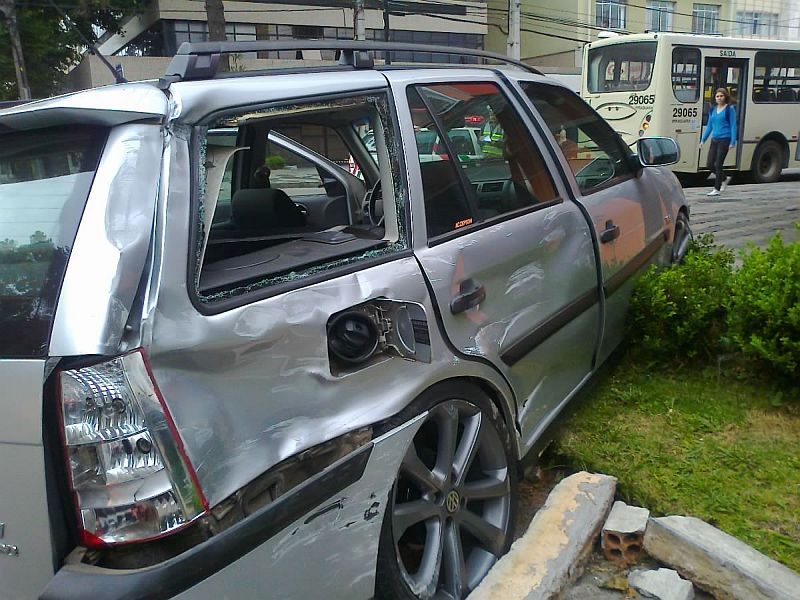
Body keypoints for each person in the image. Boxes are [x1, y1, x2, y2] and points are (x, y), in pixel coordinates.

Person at [699, 88, 737, 197]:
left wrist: (732, 141)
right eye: (717, 96)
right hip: (714, 139)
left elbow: (733, 126)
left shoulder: (730, 109)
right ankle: (724, 178)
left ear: (725, 97)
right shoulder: (713, 110)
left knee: (718, 164)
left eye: (721, 96)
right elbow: (710, 126)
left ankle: (717, 188)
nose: (719, 98)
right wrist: (703, 140)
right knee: (710, 164)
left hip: (725, 139)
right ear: (715, 98)